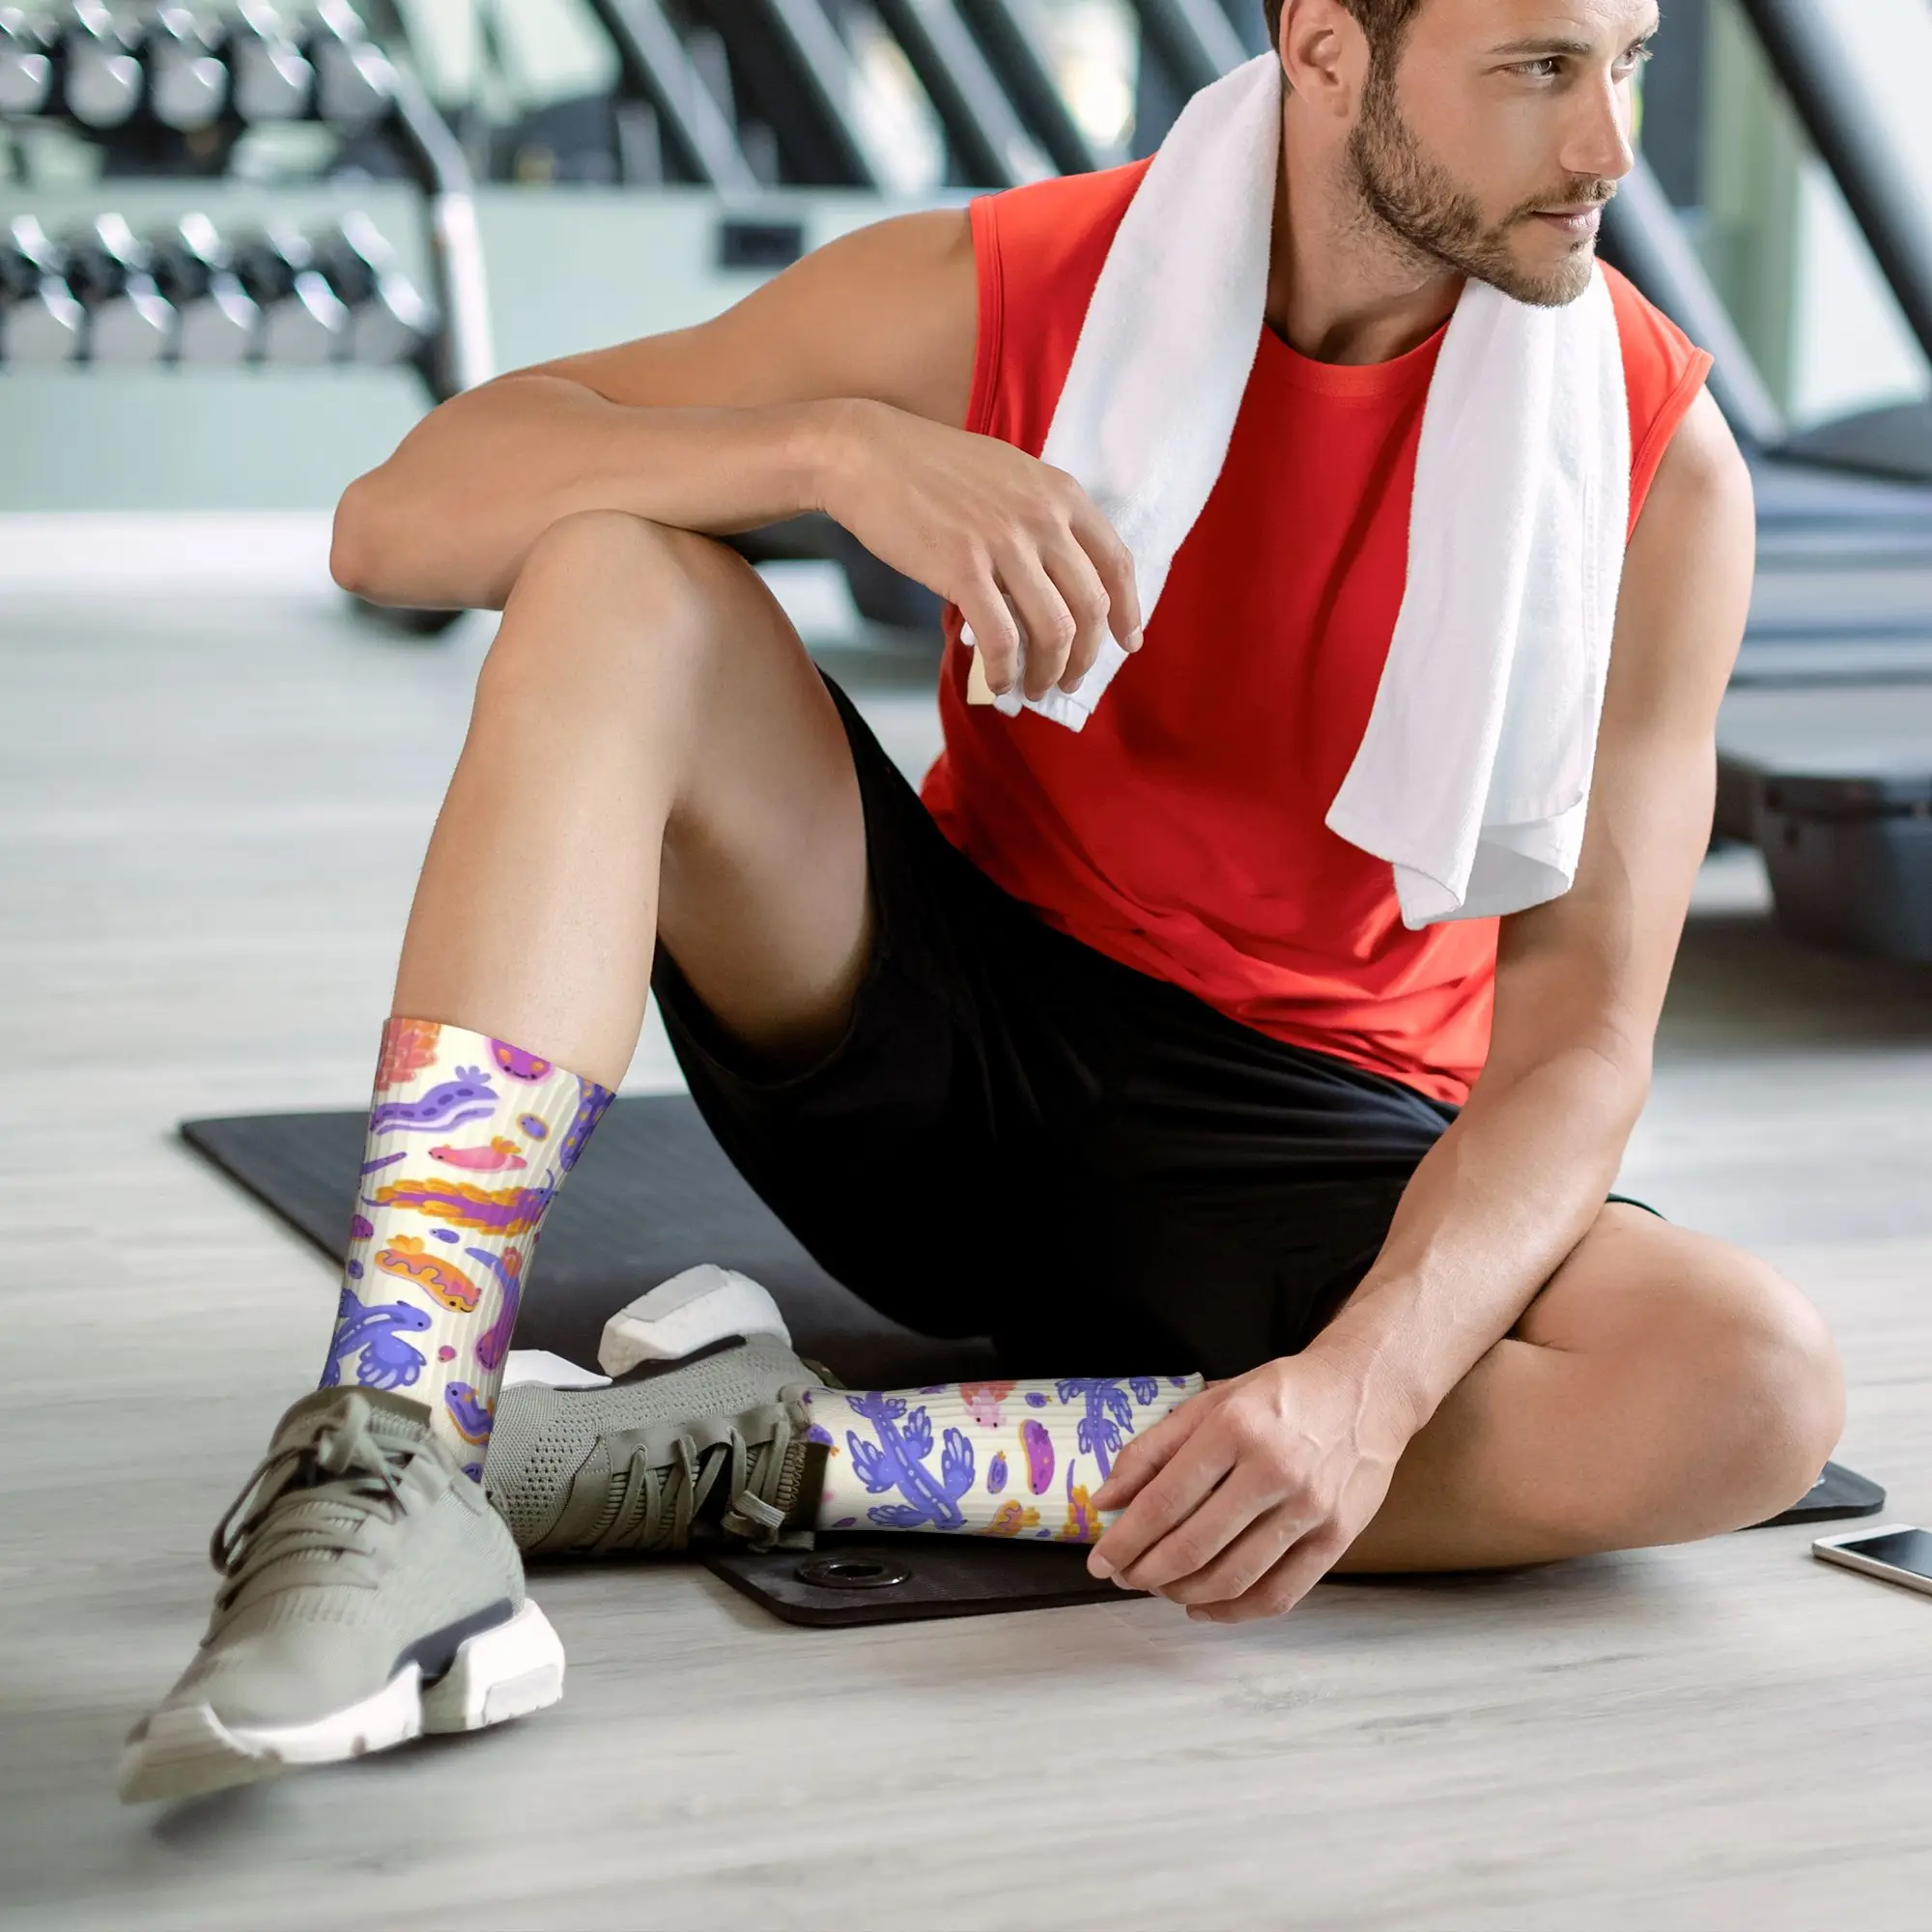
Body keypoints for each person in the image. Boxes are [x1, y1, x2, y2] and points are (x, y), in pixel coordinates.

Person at [121, 0, 1844, 1805]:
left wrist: (1368, 1388)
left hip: (1312, 1147)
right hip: (944, 1040)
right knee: (618, 577)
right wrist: (827, 450)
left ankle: (768, 1454)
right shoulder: (1015, 285)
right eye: (1540, 69)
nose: (1610, 153)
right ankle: (387, 1454)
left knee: (1751, 1387)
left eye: (1627, 63)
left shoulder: (1661, 468)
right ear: (1328, 49)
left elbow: (1576, 1054)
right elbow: (395, 523)